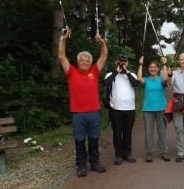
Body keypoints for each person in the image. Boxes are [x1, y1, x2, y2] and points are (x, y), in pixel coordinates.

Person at [58, 27, 107, 177]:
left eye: (87, 60)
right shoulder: (71, 72)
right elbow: (61, 57)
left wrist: (102, 42)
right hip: (78, 114)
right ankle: (80, 165)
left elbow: (104, 56)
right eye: (82, 60)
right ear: (78, 61)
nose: (85, 62)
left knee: (94, 139)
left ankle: (95, 162)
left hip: (94, 113)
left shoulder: (94, 71)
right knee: (79, 140)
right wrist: (63, 39)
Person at [104, 53, 139, 165]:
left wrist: (126, 72)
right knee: (117, 132)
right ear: (116, 62)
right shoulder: (110, 74)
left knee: (127, 132)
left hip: (129, 108)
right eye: (120, 61)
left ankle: (127, 153)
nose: (123, 63)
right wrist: (117, 72)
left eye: (125, 61)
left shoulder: (132, 74)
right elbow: (106, 83)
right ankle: (118, 154)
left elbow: (135, 84)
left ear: (127, 63)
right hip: (115, 108)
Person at [137, 55, 171, 162]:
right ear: (148, 69)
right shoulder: (145, 80)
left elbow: (166, 79)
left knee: (162, 131)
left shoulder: (161, 79)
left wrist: (165, 64)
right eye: (151, 67)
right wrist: (141, 64)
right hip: (148, 109)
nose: (152, 69)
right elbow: (138, 79)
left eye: (155, 67)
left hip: (161, 109)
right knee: (148, 131)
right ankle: (149, 152)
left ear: (158, 69)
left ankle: (164, 151)